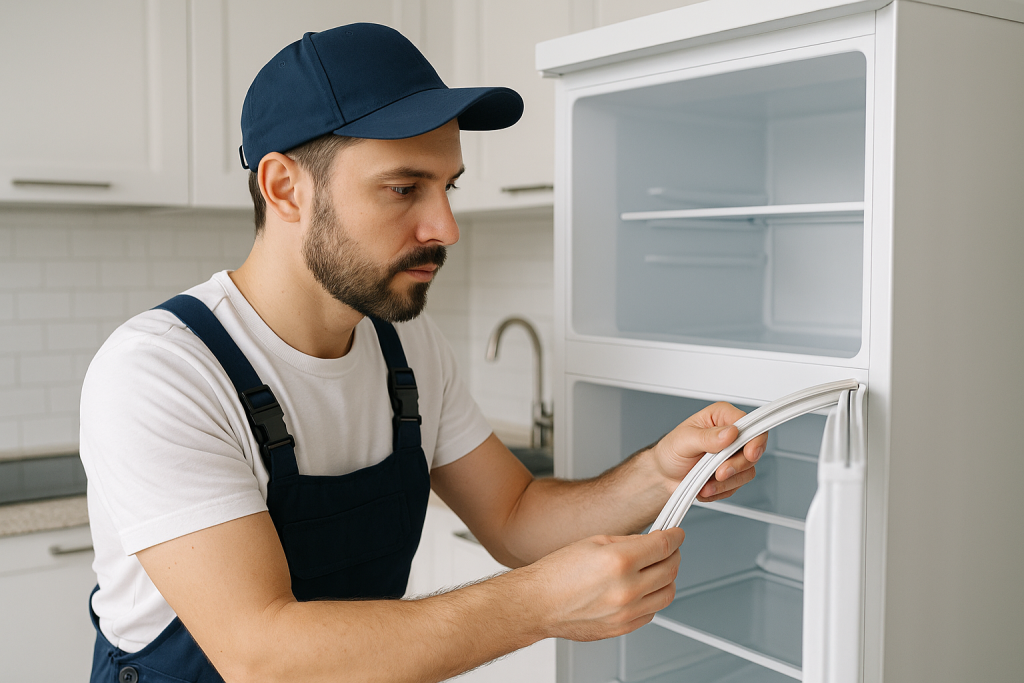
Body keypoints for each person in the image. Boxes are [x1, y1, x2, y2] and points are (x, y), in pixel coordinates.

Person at [79, 23, 764, 683]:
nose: (445, 228)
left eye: (448, 186)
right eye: (405, 188)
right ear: (284, 187)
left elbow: (515, 514)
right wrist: (539, 602)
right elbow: (262, 658)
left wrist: (656, 472)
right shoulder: (162, 371)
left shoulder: (403, 345)